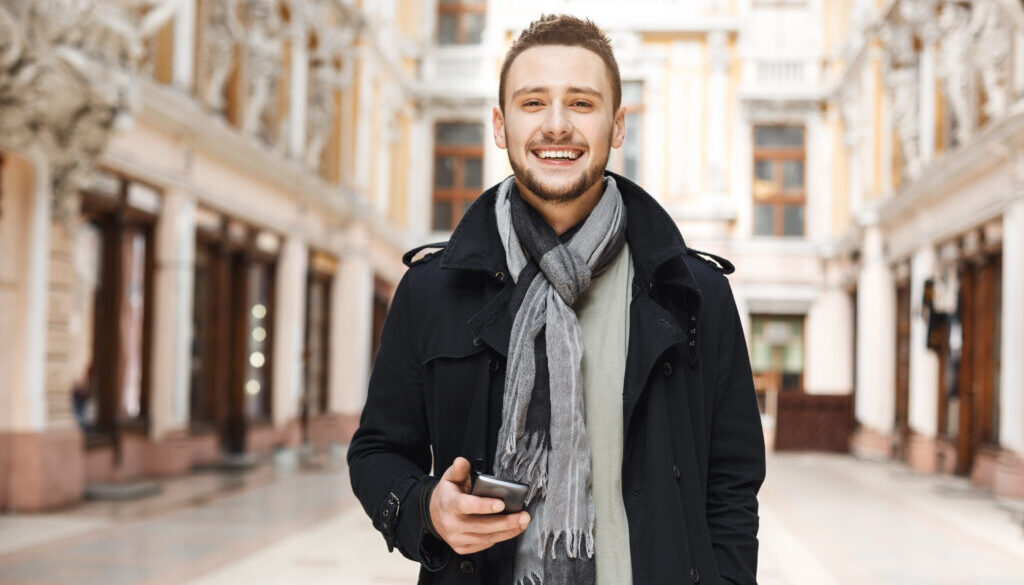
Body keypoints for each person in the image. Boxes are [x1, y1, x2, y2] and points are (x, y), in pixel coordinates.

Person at [348, 14, 765, 585]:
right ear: (500, 125)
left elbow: (733, 481)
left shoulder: (694, 295)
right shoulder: (432, 291)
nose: (557, 125)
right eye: (533, 102)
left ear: (618, 126)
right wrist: (425, 510)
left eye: (582, 104)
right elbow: (376, 452)